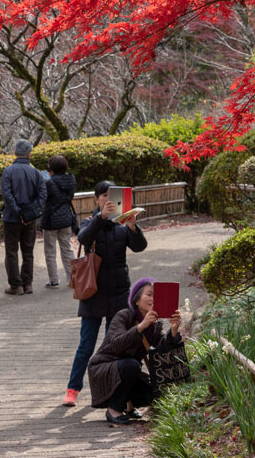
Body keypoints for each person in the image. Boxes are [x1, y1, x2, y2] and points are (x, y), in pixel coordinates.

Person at [62, 179, 148, 406]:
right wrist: (101, 218)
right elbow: (83, 238)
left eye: (113, 196)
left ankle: (111, 392)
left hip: (120, 292)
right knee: (86, 345)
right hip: (93, 291)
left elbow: (139, 246)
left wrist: (132, 226)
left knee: (115, 345)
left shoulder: (122, 225)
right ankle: (73, 389)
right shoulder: (90, 221)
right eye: (104, 196)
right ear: (96, 199)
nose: (109, 201)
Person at [88, 277, 182, 426]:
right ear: (136, 300)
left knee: (154, 394)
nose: (153, 299)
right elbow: (117, 344)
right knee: (132, 365)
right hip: (104, 368)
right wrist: (141, 326)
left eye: (156, 295)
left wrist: (174, 330)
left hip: (129, 371)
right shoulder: (124, 316)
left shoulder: (156, 324)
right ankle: (114, 409)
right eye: (149, 294)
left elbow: (161, 352)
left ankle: (129, 406)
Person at [0, 138, 47, 296]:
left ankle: (16, 286)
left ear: (15, 153)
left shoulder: (8, 171)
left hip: (11, 219)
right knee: (28, 251)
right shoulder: (36, 172)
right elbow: (42, 195)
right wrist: (31, 212)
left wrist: (17, 212)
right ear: (29, 154)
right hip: (30, 219)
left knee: (11, 252)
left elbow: (7, 195)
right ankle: (28, 284)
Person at [41, 155, 78, 288]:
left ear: (52, 168)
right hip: (66, 218)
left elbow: (45, 199)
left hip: (51, 219)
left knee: (50, 251)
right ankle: (72, 280)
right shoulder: (71, 179)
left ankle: (54, 281)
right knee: (67, 249)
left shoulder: (49, 182)